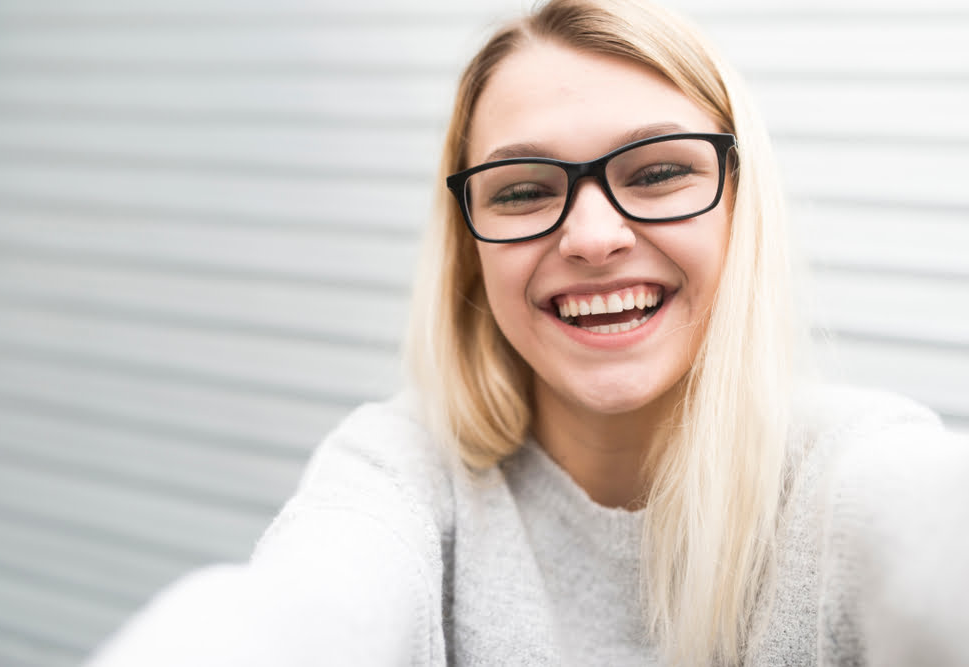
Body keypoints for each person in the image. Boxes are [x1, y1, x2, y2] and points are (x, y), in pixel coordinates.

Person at [88, 0, 969, 665]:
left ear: (743, 205)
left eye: (659, 171)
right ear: (469, 248)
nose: (591, 236)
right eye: (521, 190)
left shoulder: (858, 472)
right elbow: (301, 613)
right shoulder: (401, 475)